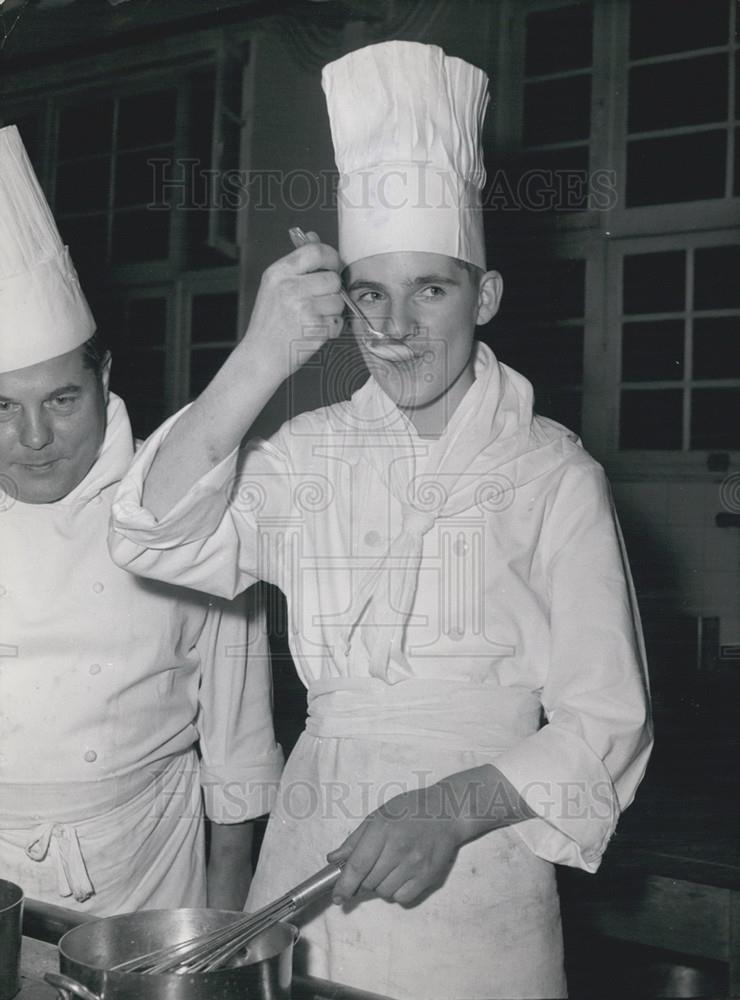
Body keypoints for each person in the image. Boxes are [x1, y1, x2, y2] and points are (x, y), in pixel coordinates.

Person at [109, 41, 652, 999]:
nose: (394, 328)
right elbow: (154, 534)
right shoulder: (313, 451)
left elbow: (608, 721)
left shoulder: (553, 473)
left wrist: (451, 806)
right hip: (311, 850)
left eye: (428, 291)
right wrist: (260, 358)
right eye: (370, 294)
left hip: (481, 875)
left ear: (483, 295)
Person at [0, 124, 283, 916]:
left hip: (147, 868)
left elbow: (238, 745)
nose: (34, 440)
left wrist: (221, 926)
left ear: (106, 379)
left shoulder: (185, 506)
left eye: (61, 399)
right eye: (2, 408)